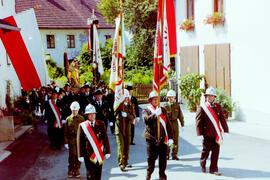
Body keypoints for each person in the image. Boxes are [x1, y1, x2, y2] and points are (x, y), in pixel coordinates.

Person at [196, 87, 229, 176]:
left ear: (214, 97)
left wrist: (226, 130)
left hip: (216, 134)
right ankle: (202, 163)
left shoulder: (218, 107)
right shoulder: (202, 107)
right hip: (206, 134)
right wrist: (200, 134)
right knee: (205, 151)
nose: (210, 98)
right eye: (208, 96)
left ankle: (213, 169)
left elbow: (222, 119)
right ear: (206, 97)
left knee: (215, 152)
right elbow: (198, 121)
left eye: (212, 96)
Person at [142, 91, 173, 180]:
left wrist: (171, 137)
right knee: (151, 159)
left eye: (157, 99)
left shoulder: (163, 110)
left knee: (163, 159)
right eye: (154, 99)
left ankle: (162, 176)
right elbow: (146, 120)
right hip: (151, 138)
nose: (156, 101)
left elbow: (168, 125)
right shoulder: (146, 110)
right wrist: (155, 114)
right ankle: (149, 173)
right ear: (150, 100)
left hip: (162, 138)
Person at [77, 104, 111, 180]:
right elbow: (80, 142)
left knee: (98, 174)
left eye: (94, 114)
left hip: (99, 154)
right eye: (90, 114)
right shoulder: (82, 126)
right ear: (87, 115)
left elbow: (105, 139)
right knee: (90, 175)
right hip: (88, 155)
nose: (92, 116)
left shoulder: (101, 124)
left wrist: (108, 151)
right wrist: (80, 155)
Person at [114, 89, 135, 172]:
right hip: (119, 128)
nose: (126, 99)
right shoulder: (118, 105)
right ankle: (121, 163)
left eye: (127, 97)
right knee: (121, 146)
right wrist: (120, 114)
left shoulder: (130, 106)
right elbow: (114, 115)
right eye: (124, 97)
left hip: (127, 128)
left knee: (127, 146)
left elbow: (133, 117)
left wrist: (127, 115)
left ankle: (125, 162)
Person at [64, 101, 85, 178]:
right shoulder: (68, 119)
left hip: (79, 140)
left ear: (78, 110)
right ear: (71, 110)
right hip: (71, 140)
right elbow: (66, 132)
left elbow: (84, 131)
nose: (74, 111)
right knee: (72, 156)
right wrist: (66, 142)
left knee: (79, 156)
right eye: (73, 110)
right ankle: (71, 169)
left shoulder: (82, 118)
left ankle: (77, 169)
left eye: (75, 110)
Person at [163, 89, 184, 160]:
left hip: (175, 123)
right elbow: (162, 116)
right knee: (168, 139)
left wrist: (182, 124)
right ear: (167, 98)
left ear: (174, 97)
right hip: (168, 124)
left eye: (172, 97)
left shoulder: (177, 105)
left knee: (175, 140)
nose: (171, 98)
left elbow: (180, 115)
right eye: (169, 97)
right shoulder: (165, 106)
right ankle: (166, 154)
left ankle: (174, 154)